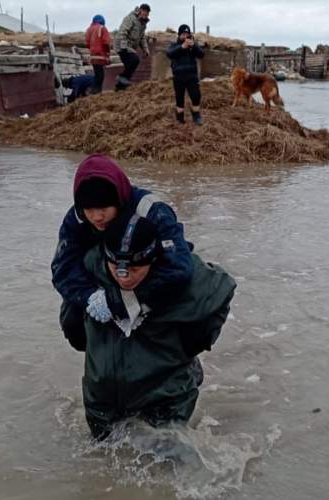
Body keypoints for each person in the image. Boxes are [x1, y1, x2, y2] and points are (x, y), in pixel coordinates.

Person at [79, 210, 236, 439]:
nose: (124, 277)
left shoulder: (181, 278)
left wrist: (191, 344)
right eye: (116, 268)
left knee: (171, 461)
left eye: (134, 270)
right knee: (99, 461)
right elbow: (71, 317)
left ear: (153, 259)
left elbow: (221, 290)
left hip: (166, 396)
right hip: (102, 399)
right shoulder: (89, 270)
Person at [52, 154, 195, 353]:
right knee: (72, 322)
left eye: (103, 207)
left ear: (118, 200)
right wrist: (91, 297)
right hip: (104, 278)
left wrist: (122, 302)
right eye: (89, 209)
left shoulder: (153, 211)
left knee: (185, 316)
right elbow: (62, 269)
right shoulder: (77, 218)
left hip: (150, 276)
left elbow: (179, 266)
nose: (97, 217)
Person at [166, 24, 205, 125]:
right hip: (178, 77)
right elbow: (169, 54)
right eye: (183, 34)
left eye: (187, 34)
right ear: (179, 35)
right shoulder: (174, 45)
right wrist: (182, 47)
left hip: (192, 76)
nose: (185, 36)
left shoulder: (193, 45)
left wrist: (193, 46)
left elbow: (201, 54)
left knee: (196, 96)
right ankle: (180, 118)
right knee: (179, 98)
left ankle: (196, 116)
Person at [113, 4, 151, 91]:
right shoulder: (130, 18)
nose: (145, 15)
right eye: (144, 13)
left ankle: (120, 87)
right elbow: (123, 31)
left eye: (147, 14)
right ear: (140, 11)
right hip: (121, 45)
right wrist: (123, 47)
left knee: (130, 65)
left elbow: (142, 38)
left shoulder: (143, 24)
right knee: (135, 59)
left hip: (129, 47)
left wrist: (146, 50)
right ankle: (121, 78)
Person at [85, 14, 112, 94]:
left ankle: (94, 92)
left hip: (93, 56)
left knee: (97, 74)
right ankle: (95, 92)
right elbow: (106, 43)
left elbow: (87, 43)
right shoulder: (102, 28)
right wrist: (107, 54)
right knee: (100, 76)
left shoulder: (89, 29)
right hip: (101, 56)